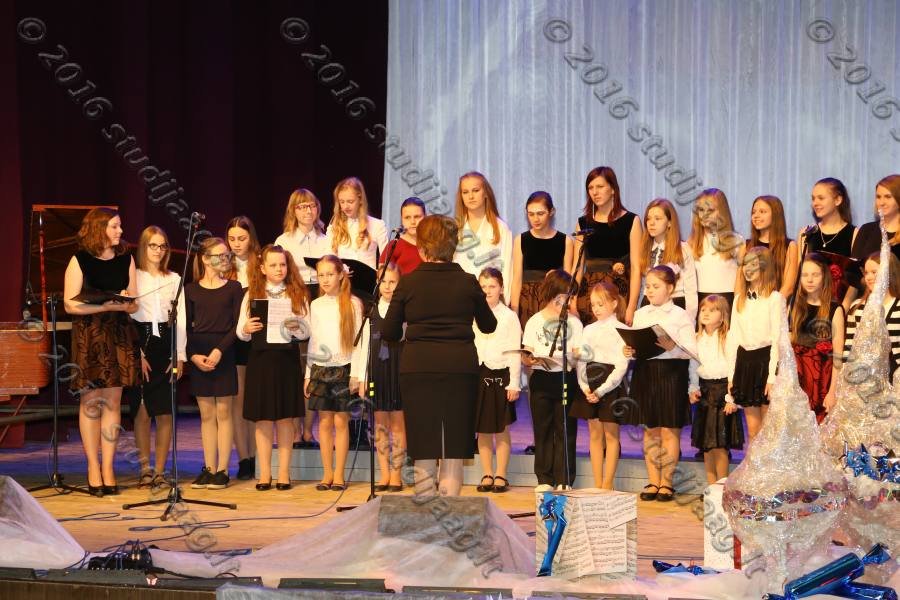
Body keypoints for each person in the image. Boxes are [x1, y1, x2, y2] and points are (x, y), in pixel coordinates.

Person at [382, 215, 497, 496]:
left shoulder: (408, 283)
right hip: (460, 369)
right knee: (453, 449)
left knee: (424, 444)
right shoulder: (468, 282)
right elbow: (488, 325)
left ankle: (427, 514)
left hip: (418, 368)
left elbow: (389, 332)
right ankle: (450, 516)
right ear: (453, 247)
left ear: (422, 248)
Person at [63, 208, 140, 496]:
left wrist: (126, 304)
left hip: (119, 332)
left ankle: (108, 468)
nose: (120, 231)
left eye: (120, 226)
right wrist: (104, 306)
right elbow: (70, 304)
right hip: (90, 335)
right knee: (91, 402)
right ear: (99, 228)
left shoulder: (126, 258)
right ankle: (93, 467)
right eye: (115, 226)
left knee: (113, 402)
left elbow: (135, 303)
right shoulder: (80, 259)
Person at [237, 245, 310, 491]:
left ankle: (284, 473)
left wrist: (298, 327)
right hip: (261, 361)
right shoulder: (252, 293)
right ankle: (265, 473)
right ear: (262, 268)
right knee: (263, 419)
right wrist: (247, 329)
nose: (279, 269)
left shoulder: (296, 293)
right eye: (273, 265)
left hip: (286, 361)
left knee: (286, 419)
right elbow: (241, 332)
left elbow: (307, 330)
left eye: (282, 264)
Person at [624, 266, 697, 502]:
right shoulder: (641, 313)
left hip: (671, 373)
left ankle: (667, 483)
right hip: (646, 372)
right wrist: (630, 351)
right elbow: (637, 342)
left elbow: (692, 352)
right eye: (648, 286)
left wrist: (672, 347)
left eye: (656, 286)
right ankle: (653, 481)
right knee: (650, 429)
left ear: (670, 288)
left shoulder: (680, 315)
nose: (650, 290)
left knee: (669, 429)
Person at [185, 237, 244, 490]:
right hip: (200, 354)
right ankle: (209, 468)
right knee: (207, 414)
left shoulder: (234, 288)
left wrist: (220, 350)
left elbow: (237, 325)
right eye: (220, 255)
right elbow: (185, 329)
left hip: (224, 351)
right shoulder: (190, 290)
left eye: (227, 255)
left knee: (224, 412)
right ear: (205, 259)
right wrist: (192, 356)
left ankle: (223, 470)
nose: (225, 259)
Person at [129, 226, 186, 489]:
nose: (158, 250)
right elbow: (126, 317)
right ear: (143, 247)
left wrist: (179, 354)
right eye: (153, 245)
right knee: (142, 411)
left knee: (165, 412)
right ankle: (145, 470)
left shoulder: (174, 279)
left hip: (166, 344)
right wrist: (136, 352)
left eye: (162, 246)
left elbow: (181, 320)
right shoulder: (133, 277)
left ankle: (161, 471)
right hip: (140, 344)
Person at [305, 255, 368, 491]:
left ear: (341, 274)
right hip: (321, 369)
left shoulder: (353, 304)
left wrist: (357, 375)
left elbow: (359, 344)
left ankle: (339, 474)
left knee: (341, 422)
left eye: (330, 274)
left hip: (344, 369)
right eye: (321, 275)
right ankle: (327, 474)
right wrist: (308, 374)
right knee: (324, 422)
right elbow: (314, 341)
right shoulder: (316, 305)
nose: (325, 279)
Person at [274, 188, 330, 450]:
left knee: (314, 366)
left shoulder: (327, 239)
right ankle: (295, 429)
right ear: (293, 211)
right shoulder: (284, 240)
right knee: (294, 369)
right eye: (302, 206)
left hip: (321, 298)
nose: (308, 211)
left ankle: (308, 430)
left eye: (312, 206)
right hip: (295, 300)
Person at [522, 269, 583, 491]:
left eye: (571, 297)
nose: (568, 301)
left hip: (565, 378)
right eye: (564, 296)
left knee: (565, 429)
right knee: (543, 429)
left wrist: (574, 356)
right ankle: (544, 479)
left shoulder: (574, 323)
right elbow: (527, 353)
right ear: (552, 293)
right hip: (541, 380)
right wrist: (528, 359)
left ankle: (564, 478)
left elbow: (579, 355)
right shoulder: (534, 321)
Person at [571, 282, 629, 490]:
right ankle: (597, 483)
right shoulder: (588, 329)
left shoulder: (622, 330)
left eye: (601, 304)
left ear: (614, 303)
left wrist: (602, 390)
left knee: (611, 435)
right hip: (590, 383)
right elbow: (582, 359)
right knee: (595, 434)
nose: (596, 309)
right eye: (593, 304)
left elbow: (621, 366)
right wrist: (584, 385)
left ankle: (607, 483)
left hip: (610, 384)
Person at [473, 267, 521, 494]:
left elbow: (515, 351)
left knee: (501, 428)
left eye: (492, 286)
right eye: (483, 287)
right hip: (479, 374)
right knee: (482, 429)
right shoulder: (473, 313)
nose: (487, 291)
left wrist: (514, 383)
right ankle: (487, 473)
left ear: (501, 288)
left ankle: (501, 473)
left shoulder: (509, 317)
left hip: (502, 376)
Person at [727, 246, 783, 441]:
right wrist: (731, 376)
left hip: (765, 363)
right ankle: (753, 463)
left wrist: (772, 377)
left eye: (754, 264)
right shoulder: (738, 300)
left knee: (768, 433)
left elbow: (777, 339)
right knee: (753, 431)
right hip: (745, 364)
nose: (748, 269)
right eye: (745, 264)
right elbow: (733, 338)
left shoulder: (774, 299)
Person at [574, 166, 642, 325]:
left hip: (617, 292)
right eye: (590, 188)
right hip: (589, 293)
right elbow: (577, 266)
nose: (594, 192)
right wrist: (572, 299)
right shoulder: (583, 223)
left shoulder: (631, 221)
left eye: (600, 186)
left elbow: (636, 268)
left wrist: (631, 307)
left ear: (612, 189)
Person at [689, 294, 743, 484]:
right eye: (703, 309)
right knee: (707, 445)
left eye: (712, 310)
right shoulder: (697, 338)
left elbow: (734, 368)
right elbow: (693, 365)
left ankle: (721, 486)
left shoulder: (727, 337)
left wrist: (732, 398)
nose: (706, 313)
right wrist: (693, 387)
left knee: (720, 445)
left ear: (722, 316)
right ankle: (711, 486)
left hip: (723, 393)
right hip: (705, 393)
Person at [225, 216, 260, 481]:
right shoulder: (223, 264)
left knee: (254, 399)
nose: (236, 244)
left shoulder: (261, 263)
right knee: (238, 400)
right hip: (233, 338)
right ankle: (244, 458)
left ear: (251, 238)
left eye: (242, 238)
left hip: (258, 336)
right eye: (232, 239)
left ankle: (258, 456)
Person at [791, 253, 844, 423]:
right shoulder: (794, 306)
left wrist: (832, 391)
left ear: (824, 277)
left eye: (815, 275)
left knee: (819, 427)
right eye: (805, 275)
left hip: (821, 379)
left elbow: (838, 355)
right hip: (797, 377)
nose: (809, 280)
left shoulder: (834, 309)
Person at [369, 262, 406, 492]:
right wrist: (359, 376)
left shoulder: (405, 310)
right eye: (383, 281)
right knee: (380, 423)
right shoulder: (370, 310)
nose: (387, 286)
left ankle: (396, 474)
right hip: (377, 370)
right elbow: (362, 346)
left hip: (398, 369)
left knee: (398, 424)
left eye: (392, 282)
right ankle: (383, 474)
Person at [511, 191, 573, 328]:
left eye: (540, 213)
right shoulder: (520, 240)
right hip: (528, 299)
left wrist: (568, 306)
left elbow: (568, 280)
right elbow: (517, 279)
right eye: (531, 214)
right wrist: (514, 313)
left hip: (553, 298)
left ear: (551, 212)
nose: (535, 219)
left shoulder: (565, 241)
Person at [453, 171, 513, 301]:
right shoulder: (454, 229)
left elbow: (507, 268)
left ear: (485, 193)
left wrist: (505, 300)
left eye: (475, 190)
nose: (471, 196)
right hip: (461, 299)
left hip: (490, 301)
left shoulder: (500, 228)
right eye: (465, 192)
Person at [798, 177, 858, 309]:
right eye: (813, 199)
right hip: (811, 304)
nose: (815, 203)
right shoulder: (807, 233)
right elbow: (801, 273)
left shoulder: (854, 233)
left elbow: (855, 279)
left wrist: (843, 308)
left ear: (838, 200)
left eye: (821, 198)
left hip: (840, 304)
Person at [842, 252, 900, 386]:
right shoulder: (857, 308)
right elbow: (849, 346)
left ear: (889, 272)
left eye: (874, 272)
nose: (869, 277)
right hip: (864, 380)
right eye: (866, 272)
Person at [638, 198, 698, 321]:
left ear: (669, 223)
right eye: (648, 219)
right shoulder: (644, 248)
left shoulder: (682, 249)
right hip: (649, 304)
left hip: (674, 304)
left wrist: (690, 320)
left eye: (657, 218)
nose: (651, 223)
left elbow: (691, 289)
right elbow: (643, 286)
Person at [687, 188, 743, 311]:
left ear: (722, 212)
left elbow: (742, 279)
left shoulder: (735, 241)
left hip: (728, 302)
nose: (705, 215)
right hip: (701, 303)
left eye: (711, 210)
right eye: (701, 210)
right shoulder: (691, 244)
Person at [742, 195, 798, 298]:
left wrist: (771, 304)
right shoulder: (746, 246)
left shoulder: (790, 246)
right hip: (750, 303)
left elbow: (788, 287)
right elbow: (739, 282)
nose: (756, 216)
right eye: (753, 212)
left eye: (762, 212)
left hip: (776, 304)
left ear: (776, 215)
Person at [327, 177, 388, 269]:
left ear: (360, 200)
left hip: (368, 277)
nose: (346, 206)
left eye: (350, 201)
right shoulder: (334, 227)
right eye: (342, 202)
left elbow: (386, 259)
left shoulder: (377, 225)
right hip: (343, 277)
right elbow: (329, 259)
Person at [851, 175, 900, 268]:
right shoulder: (866, 230)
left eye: (888, 197)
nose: (881, 202)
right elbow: (853, 269)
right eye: (878, 197)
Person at [380, 197, 425, 274]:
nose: (412, 222)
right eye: (407, 217)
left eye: (417, 217)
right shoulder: (394, 245)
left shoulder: (434, 243)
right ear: (402, 220)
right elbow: (382, 277)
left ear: (425, 217)